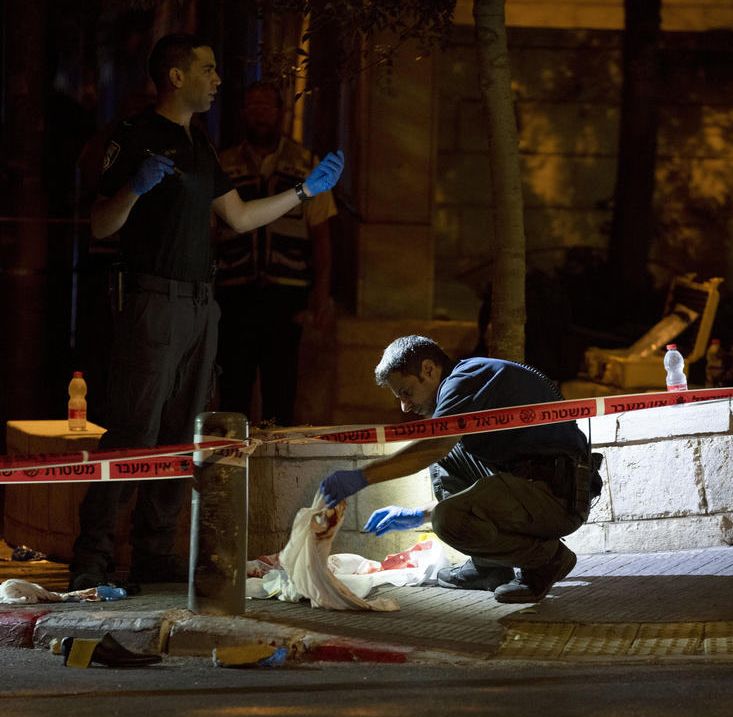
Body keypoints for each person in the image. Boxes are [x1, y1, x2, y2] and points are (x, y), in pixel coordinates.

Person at [69, 33, 345, 591]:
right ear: (176, 76)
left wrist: (304, 192)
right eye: (209, 68)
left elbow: (239, 217)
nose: (219, 80)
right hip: (150, 302)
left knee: (181, 434)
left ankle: (153, 552)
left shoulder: (200, 144)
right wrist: (133, 189)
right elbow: (100, 223)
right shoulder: (136, 135)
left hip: (200, 306)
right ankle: (92, 557)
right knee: (133, 433)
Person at [317, 335, 603, 604]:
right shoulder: (466, 381)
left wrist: (361, 477)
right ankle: (489, 568)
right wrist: (417, 514)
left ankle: (547, 560)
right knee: (449, 453)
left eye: (406, 392)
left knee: (446, 513)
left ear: (428, 370)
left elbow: (432, 449)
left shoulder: (464, 380)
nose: (404, 407)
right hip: (534, 487)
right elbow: (470, 482)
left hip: (558, 497)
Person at [213, 82, 337, 425]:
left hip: (286, 297)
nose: (260, 114)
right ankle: (232, 468)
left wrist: (321, 296)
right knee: (233, 388)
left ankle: (276, 469)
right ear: (242, 113)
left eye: (267, 106)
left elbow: (321, 234)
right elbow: (210, 234)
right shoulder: (222, 165)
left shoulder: (307, 165)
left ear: (281, 113)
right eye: (252, 106)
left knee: (281, 392)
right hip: (233, 294)